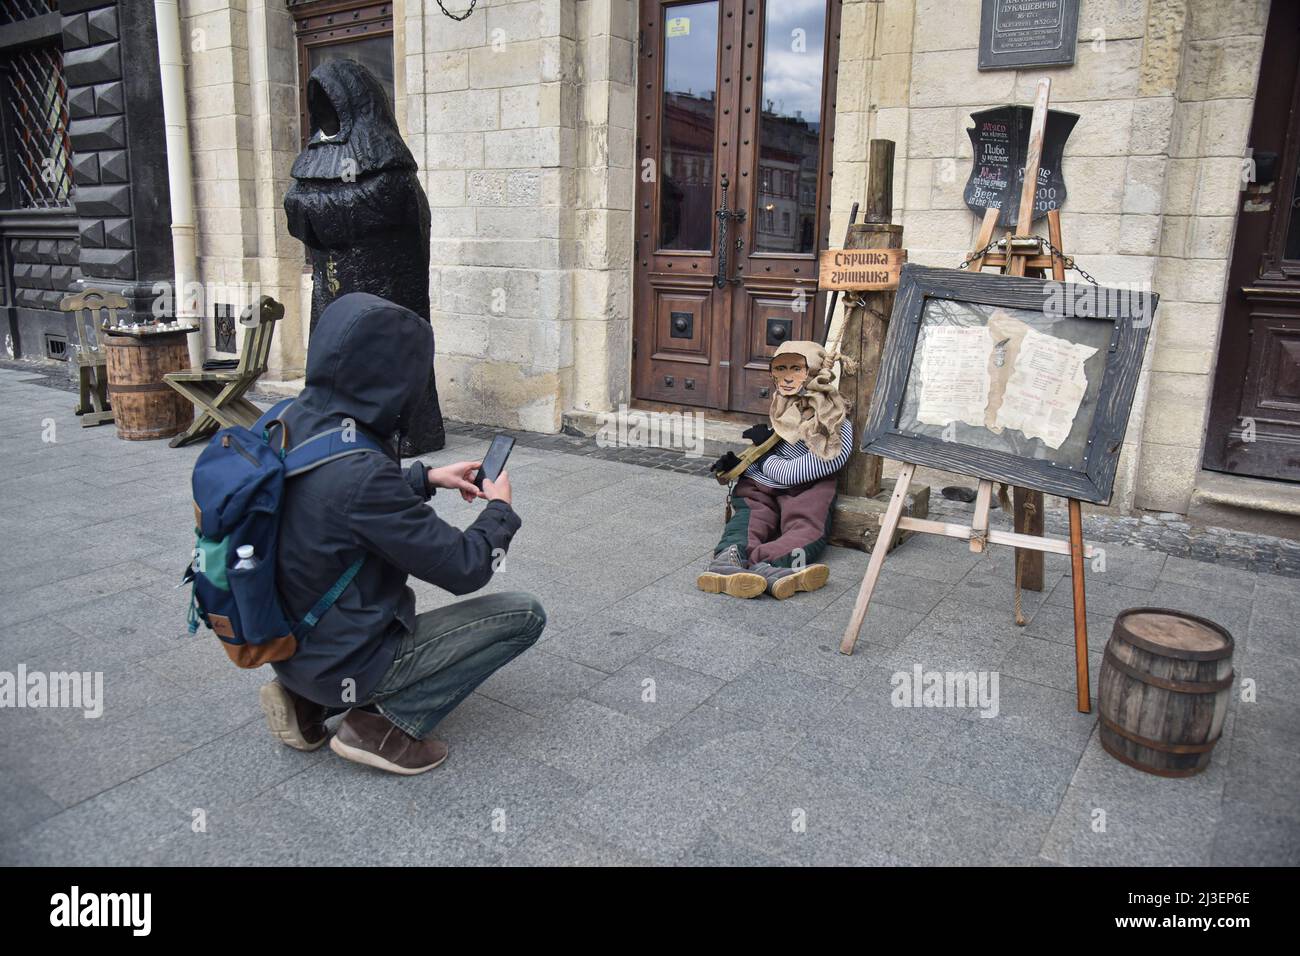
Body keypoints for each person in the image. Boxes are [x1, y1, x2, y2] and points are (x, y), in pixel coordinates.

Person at [258, 292, 544, 775]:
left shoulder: (283, 420)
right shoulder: (363, 475)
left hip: (286, 643)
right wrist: (500, 510)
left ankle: (307, 702)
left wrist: (425, 478)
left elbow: (328, 494)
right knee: (524, 615)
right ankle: (382, 728)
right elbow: (465, 567)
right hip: (346, 655)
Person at [699, 341, 853, 599]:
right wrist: (740, 462)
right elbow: (770, 449)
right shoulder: (782, 409)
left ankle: (768, 566)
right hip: (762, 487)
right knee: (749, 517)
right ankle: (728, 560)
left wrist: (764, 458)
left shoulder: (834, 420)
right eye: (781, 369)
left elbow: (796, 472)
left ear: (812, 375)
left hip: (805, 489)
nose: (787, 377)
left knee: (807, 529)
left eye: (796, 369)